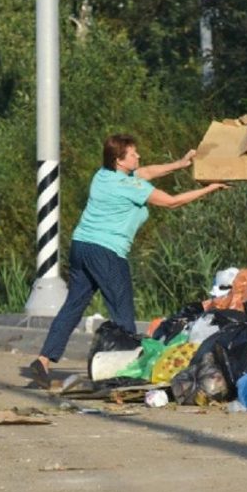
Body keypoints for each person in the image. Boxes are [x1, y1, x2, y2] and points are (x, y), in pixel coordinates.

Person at [28, 134, 227, 388]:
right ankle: (125, 371)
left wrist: (179, 164)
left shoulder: (103, 176)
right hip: (107, 252)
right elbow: (171, 202)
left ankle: (43, 360)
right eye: (133, 154)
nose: (138, 156)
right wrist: (209, 188)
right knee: (123, 314)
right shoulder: (129, 187)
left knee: (72, 307)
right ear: (120, 160)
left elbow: (145, 172)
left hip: (81, 248)